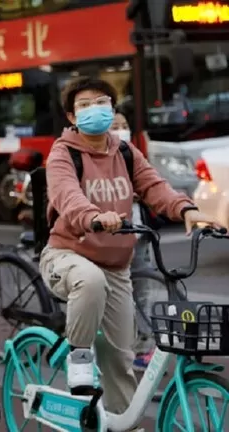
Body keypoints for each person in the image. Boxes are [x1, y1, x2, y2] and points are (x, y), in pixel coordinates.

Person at [40, 77, 220, 415]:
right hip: (67, 255)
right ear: (70, 116)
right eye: (84, 105)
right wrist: (94, 216)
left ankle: (127, 424)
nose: (94, 109)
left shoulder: (123, 150)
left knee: (120, 362)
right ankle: (78, 355)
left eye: (101, 101)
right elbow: (66, 194)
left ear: (112, 106)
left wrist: (187, 209)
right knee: (89, 281)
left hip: (117, 268)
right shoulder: (63, 153)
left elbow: (153, 185)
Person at [110, 112, 156, 369]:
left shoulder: (133, 155)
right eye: (115, 126)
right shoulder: (100, 160)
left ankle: (144, 345)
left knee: (143, 288)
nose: (121, 130)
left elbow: (151, 185)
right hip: (113, 239)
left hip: (138, 233)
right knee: (118, 294)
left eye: (125, 125)